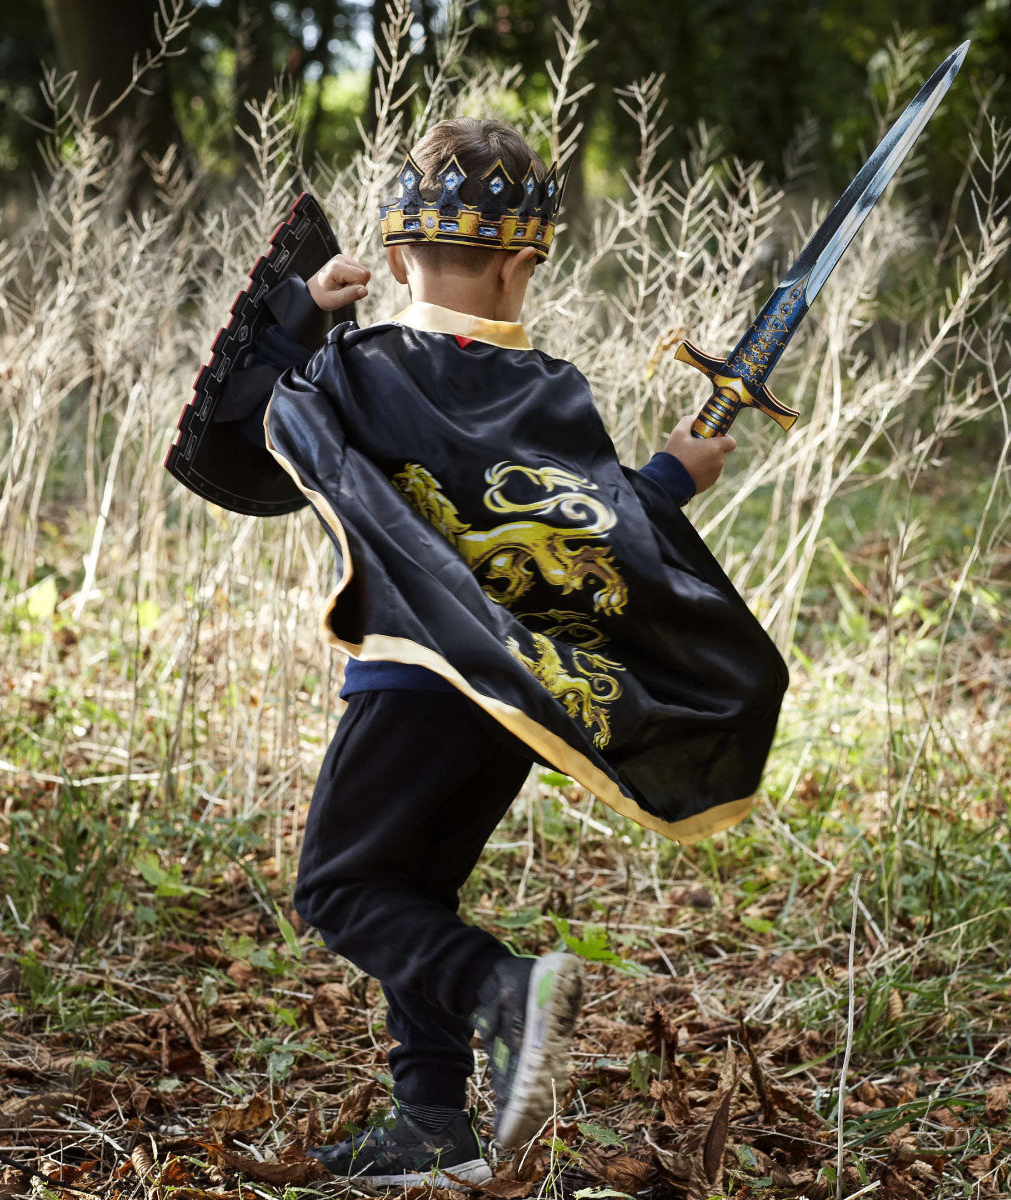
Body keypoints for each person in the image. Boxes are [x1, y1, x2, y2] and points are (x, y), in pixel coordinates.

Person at [218, 117, 787, 1189]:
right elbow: (596, 536)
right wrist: (671, 474)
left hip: (409, 676)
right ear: (527, 261)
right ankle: (431, 1124)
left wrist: (300, 314)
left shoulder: (357, 364)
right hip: (512, 701)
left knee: (341, 888)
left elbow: (236, 426)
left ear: (392, 261)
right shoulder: (549, 392)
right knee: (409, 889)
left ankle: (504, 993)